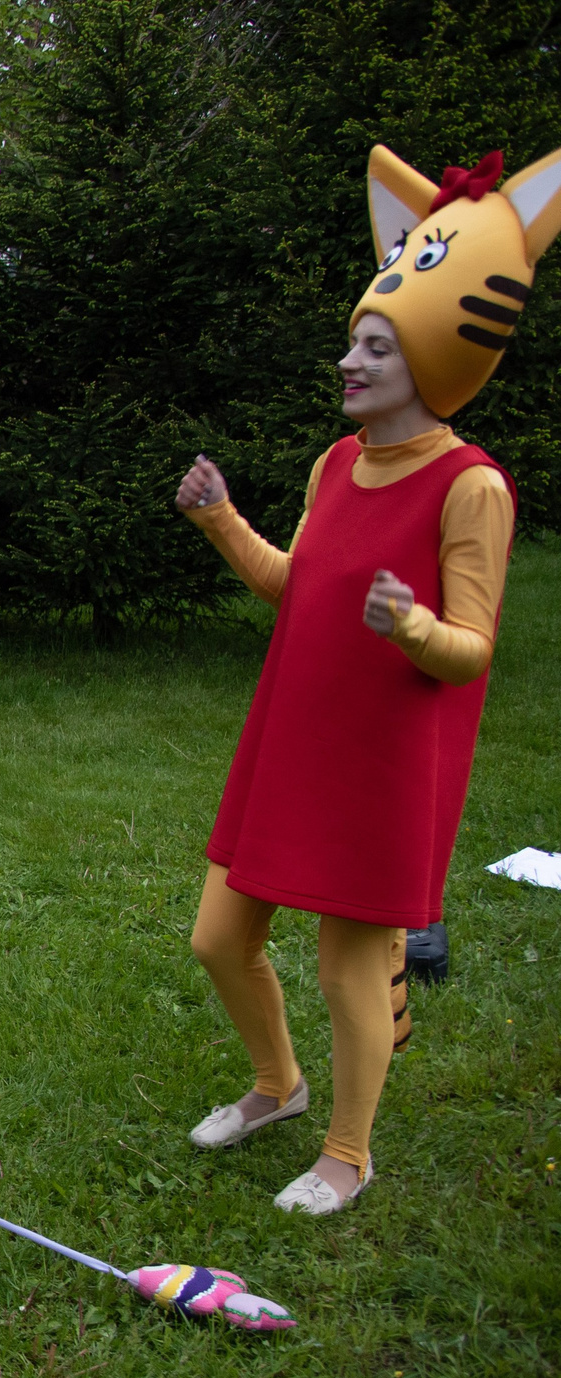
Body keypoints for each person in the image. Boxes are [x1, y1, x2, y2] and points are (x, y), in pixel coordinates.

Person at [170, 143, 557, 1214]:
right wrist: (218, 520)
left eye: (375, 348)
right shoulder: (335, 464)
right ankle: (274, 1087)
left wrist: (412, 625)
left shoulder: (471, 486)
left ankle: (347, 1150)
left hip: (385, 756)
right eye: (352, 342)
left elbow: (473, 648)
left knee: (353, 963)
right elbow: (293, 584)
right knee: (218, 934)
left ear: (433, 354)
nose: (350, 362)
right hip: (292, 732)